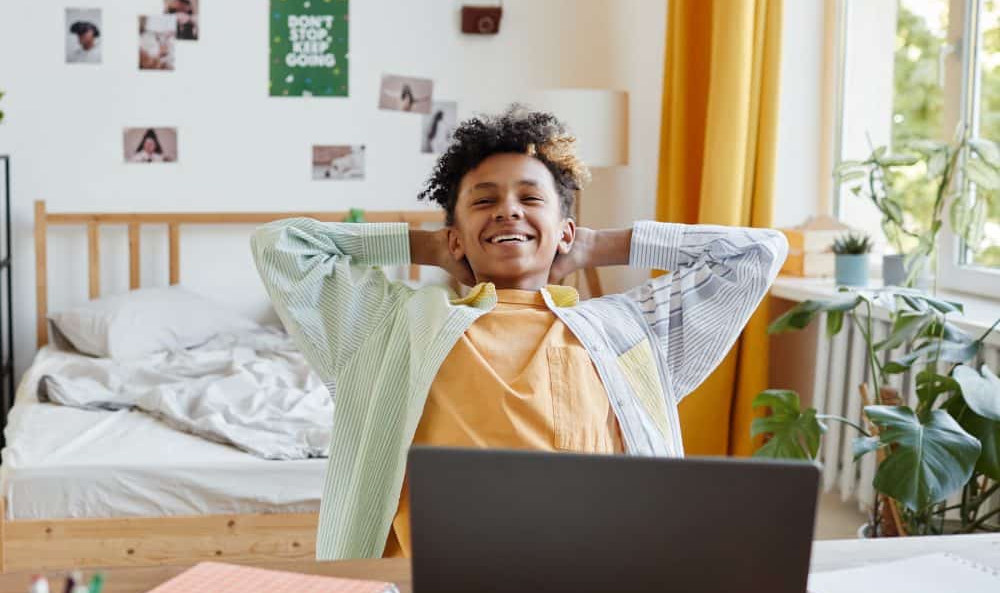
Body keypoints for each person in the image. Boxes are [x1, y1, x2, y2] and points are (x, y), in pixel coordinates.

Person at [251, 105, 787, 560]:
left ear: (566, 232)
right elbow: (282, 246)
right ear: (456, 237)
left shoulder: (626, 329)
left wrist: (602, 246)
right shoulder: (393, 324)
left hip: (590, 576)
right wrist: (426, 246)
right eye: (484, 201)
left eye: (530, 200)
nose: (508, 208)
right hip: (430, 581)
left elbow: (755, 253)